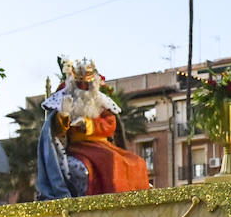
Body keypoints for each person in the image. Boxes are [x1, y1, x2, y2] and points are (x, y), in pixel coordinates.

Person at [36, 57, 150, 199]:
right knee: (110, 162)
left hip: (103, 145)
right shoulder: (64, 98)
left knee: (137, 162)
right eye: (80, 84)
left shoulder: (100, 101)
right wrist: (64, 115)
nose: (84, 88)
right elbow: (57, 132)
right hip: (78, 148)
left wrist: (89, 125)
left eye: (87, 84)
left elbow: (110, 124)